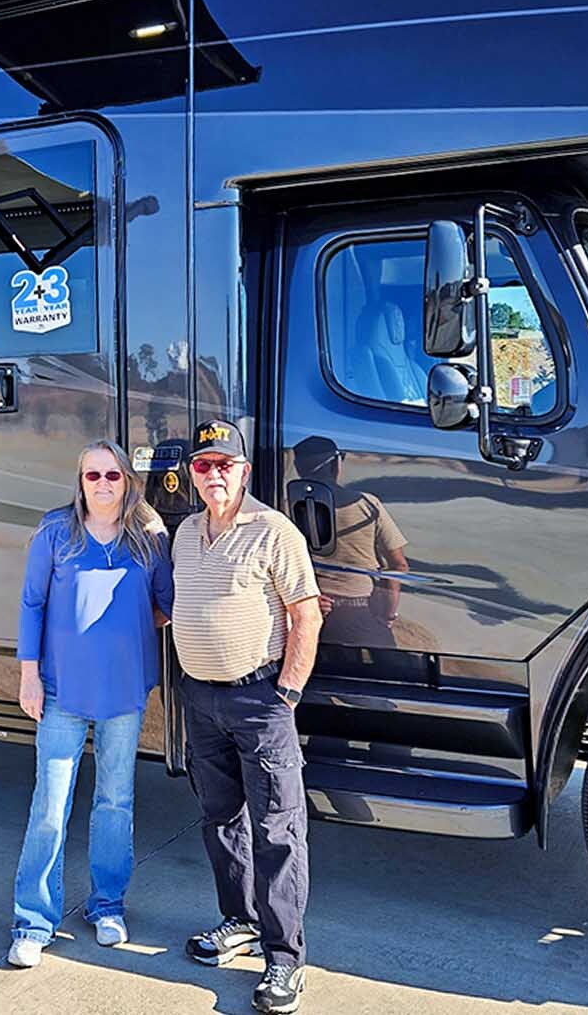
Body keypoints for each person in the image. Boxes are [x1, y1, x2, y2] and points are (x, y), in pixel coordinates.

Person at [171, 419, 322, 1014]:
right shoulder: (185, 533)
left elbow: (306, 614)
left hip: (260, 700)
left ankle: (285, 958)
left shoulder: (274, 531)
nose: (213, 474)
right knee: (221, 819)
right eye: (203, 465)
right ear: (192, 474)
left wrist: (287, 693)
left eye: (223, 465)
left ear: (244, 471)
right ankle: (240, 921)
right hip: (201, 699)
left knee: (277, 829)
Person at [7, 440, 174, 969]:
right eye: (92, 475)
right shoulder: (56, 532)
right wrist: (29, 676)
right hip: (61, 691)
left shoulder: (148, 538)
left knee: (115, 802)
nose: (102, 484)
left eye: (112, 475)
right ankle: (33, 921)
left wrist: (124, 631)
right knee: (50, 807)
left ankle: (108, 906)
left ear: (128, 481)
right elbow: (32, 603)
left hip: (123, 693)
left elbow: (166, 604)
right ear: (79, 482)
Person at [290, 435, 410, 650]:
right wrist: (388, 615)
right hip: (360, 611)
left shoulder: (286, 508)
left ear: (299, 470)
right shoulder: (367, 505)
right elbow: (398, 565)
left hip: (309, 610)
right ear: (335, 465)